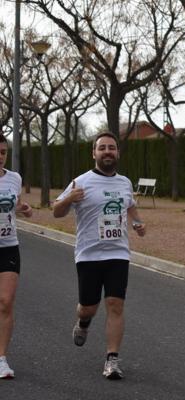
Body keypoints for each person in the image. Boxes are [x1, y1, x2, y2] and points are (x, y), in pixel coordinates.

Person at [52, 132, 146, 380]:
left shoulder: (124, 182)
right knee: (88, 307)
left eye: (111, 148)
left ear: (117, 153)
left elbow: (130, 204)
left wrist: (137, 222)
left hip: (118, 253)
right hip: (89, 255)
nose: (107, 151)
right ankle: (83, 322)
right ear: (94, 153)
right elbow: (56, 212)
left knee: (116, 304)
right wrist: (69, 199)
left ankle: (112, 359)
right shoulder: (80, 181)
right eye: (102, 148)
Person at [0, 134, 33, 379]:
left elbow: (16, 207)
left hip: (9, 245)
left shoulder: (14, 178)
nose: (0, 157)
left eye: (3, 152)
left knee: (6, 301)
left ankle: (1, 359)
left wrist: (24, 210)